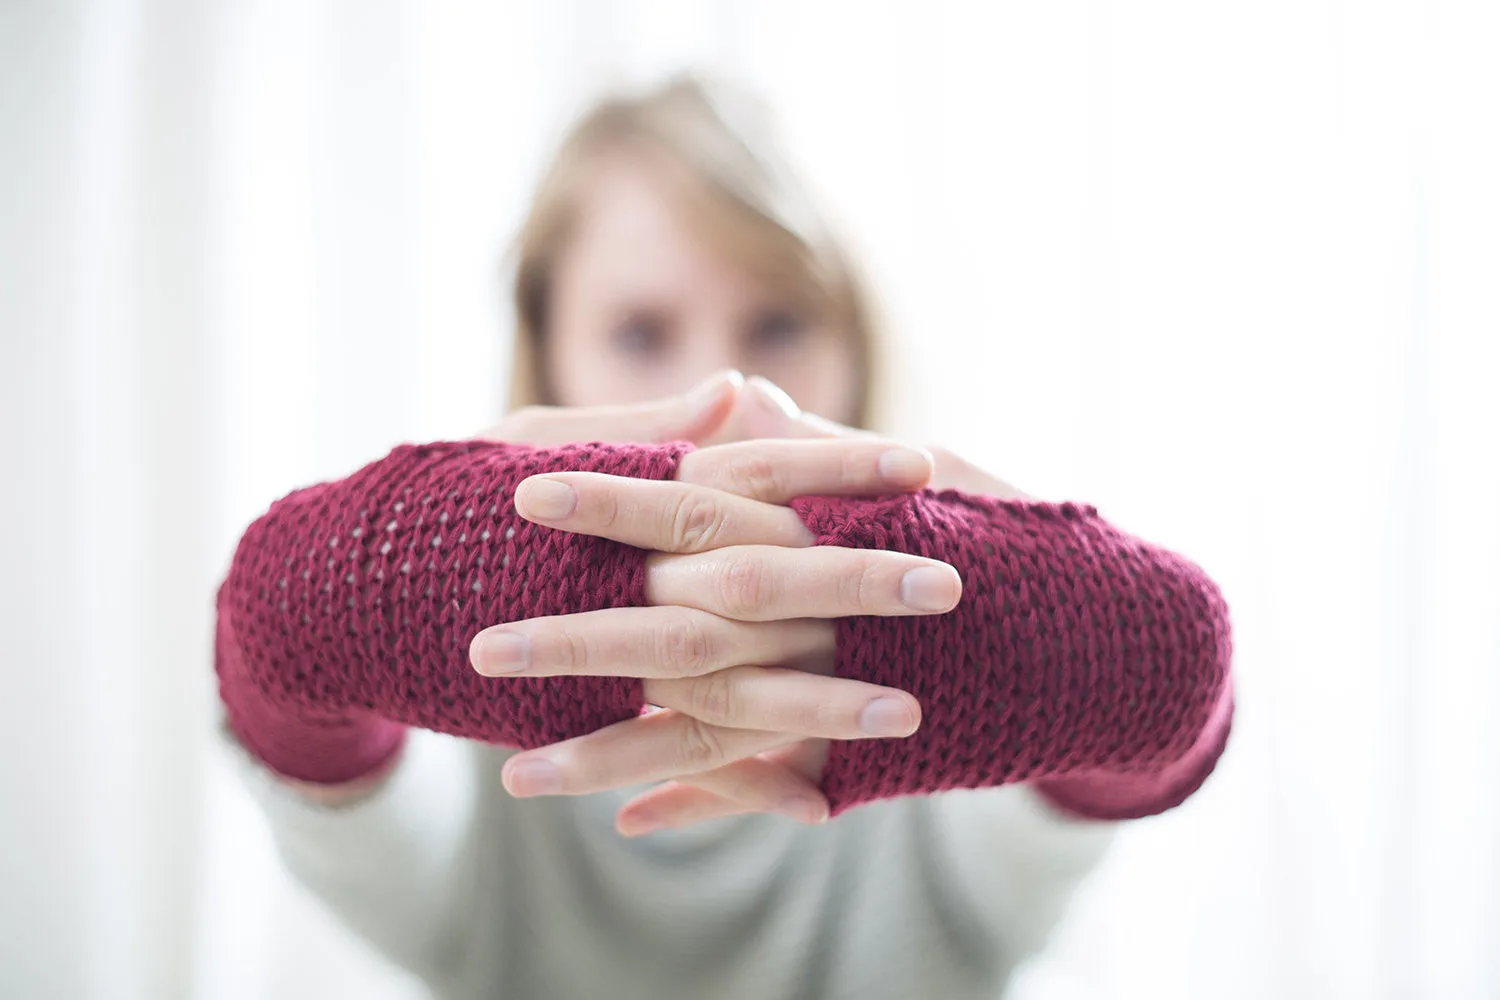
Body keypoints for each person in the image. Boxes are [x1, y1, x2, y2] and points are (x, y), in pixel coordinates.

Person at [214, 77, 1234, 1000]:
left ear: (855, 342)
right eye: (640, 332)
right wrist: (371, 563)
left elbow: (1171, 686)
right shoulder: (453, 700)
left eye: (781, 321)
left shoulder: (953, 649)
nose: (727, 396)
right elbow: (278, 656)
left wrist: (1046, 610)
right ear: (549, 357)